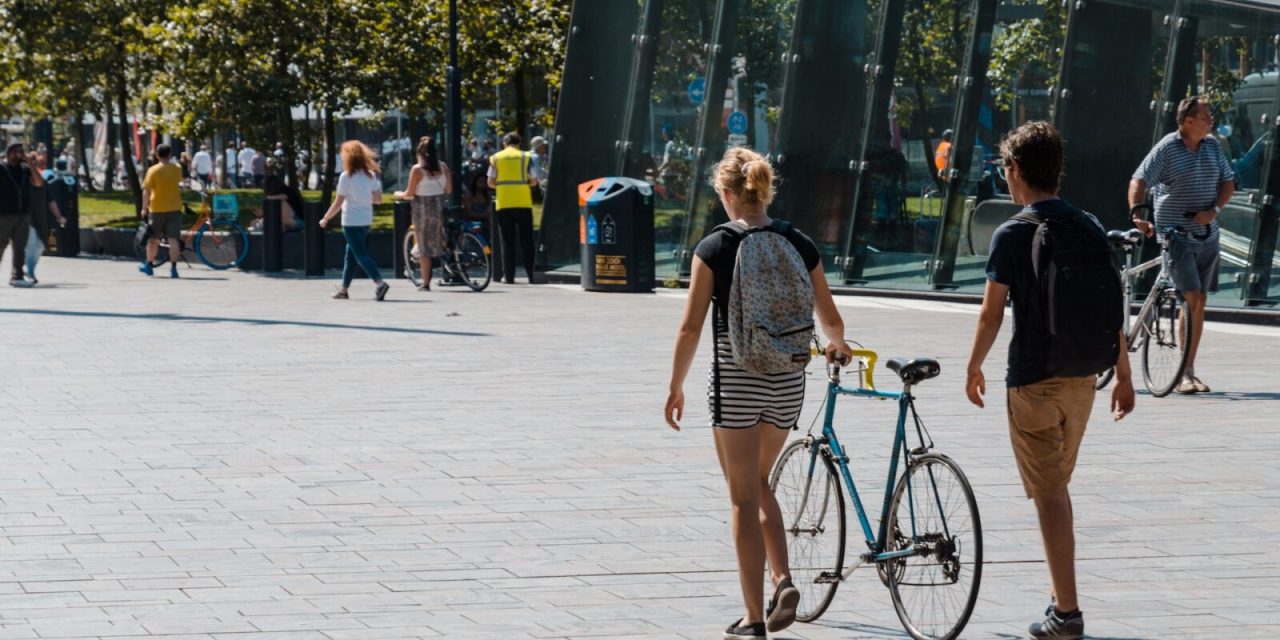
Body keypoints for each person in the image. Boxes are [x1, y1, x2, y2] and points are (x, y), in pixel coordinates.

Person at [664, 148, 852, 640]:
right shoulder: (798, 241)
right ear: (764, 191)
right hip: (788, 381)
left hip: (737, 381)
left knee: (742, 497)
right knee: (760, 480)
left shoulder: (714, 247)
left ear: (727, 195)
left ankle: (753, 617)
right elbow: (829, 317)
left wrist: (675, 386)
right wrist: (837, 345)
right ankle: (781, 580)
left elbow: (690, 328)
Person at [965, 122, 1135, 640]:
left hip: (1035, 379)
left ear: (1015, 170)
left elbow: (992, 315)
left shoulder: (1013, 231)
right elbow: (1113, 305)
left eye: (1005, 170)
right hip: (1085, 380)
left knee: (1051, 495)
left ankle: (1067, 611)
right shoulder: (1087, 224)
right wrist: (1124, 375)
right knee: (1056, 488)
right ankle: (1061, 599)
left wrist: (973, 366)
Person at [1129, 95, 1235, 394]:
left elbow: (1228, 182)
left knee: (1198, 301)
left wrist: (1214, 211)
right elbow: (1139, 179)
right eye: (1206, 116)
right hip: (1175, 235)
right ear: (1188, 121)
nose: (1211, 119)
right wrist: (1137, 212)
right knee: (1192, 296)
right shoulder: (1168, 148)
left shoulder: (1213, 146)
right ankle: (1184, 376)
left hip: (1207, 236)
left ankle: (1189, 370)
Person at [320, 140, 389, 301]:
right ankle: (343, 290)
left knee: (361, 255)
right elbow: (378, 200)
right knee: (350, 255)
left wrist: (325, 218)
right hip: (366, 221)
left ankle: (380, 283)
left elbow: (338, 202)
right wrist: (364, 197)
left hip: (350, 221)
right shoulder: (371, 175)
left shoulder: (346, 177)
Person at [395, 136, 451, 292]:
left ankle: (426, 283)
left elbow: (409, 193)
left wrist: (399, 194)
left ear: (420, 153)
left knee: (424, 247)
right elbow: (448, 190)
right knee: (440, 240)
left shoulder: (417, 170)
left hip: (422, 209)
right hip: (439, 207)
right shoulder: (443, 167)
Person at [487, 132, 539, 284]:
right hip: (523, 202)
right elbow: (534, 181)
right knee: (527, 240)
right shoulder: (526, 157)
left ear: (504, 143)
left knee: (507, 240)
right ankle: (531, 275)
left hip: (504, 202)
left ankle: (508, 276)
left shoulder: (496, 158)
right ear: (519, 143)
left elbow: (490, 182)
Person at [139, 144, 184, 278]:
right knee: (173, 239)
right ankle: (174, 269)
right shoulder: (177, 169)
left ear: (157, 155)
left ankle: (149, 266)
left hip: (157, 208)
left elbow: (146, 190)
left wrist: (144, 207)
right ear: (170, 154)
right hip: (175, 208)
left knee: (153, 239)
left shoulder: (153, 170)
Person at [0, 143, 41, 287]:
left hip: (23, 214)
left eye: (22, 151)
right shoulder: (1, 168)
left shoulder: (25, 169)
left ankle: (17, 276)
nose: (20, 154)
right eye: (16, 151)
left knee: (20, 247)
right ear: (9, 152)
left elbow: (38, 182)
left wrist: (31, 164)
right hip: (3, 214)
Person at [24, 151, 66, 285]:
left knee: (40, 246)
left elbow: (51, 201)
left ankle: (29, 270)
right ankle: (29, 272)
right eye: (31, 162)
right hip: (25, 218)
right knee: (31, 245)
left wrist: (59, 216)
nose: (34, 165)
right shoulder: (21, 181)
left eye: (35, 162)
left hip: (41, 219)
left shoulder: (42, 182)